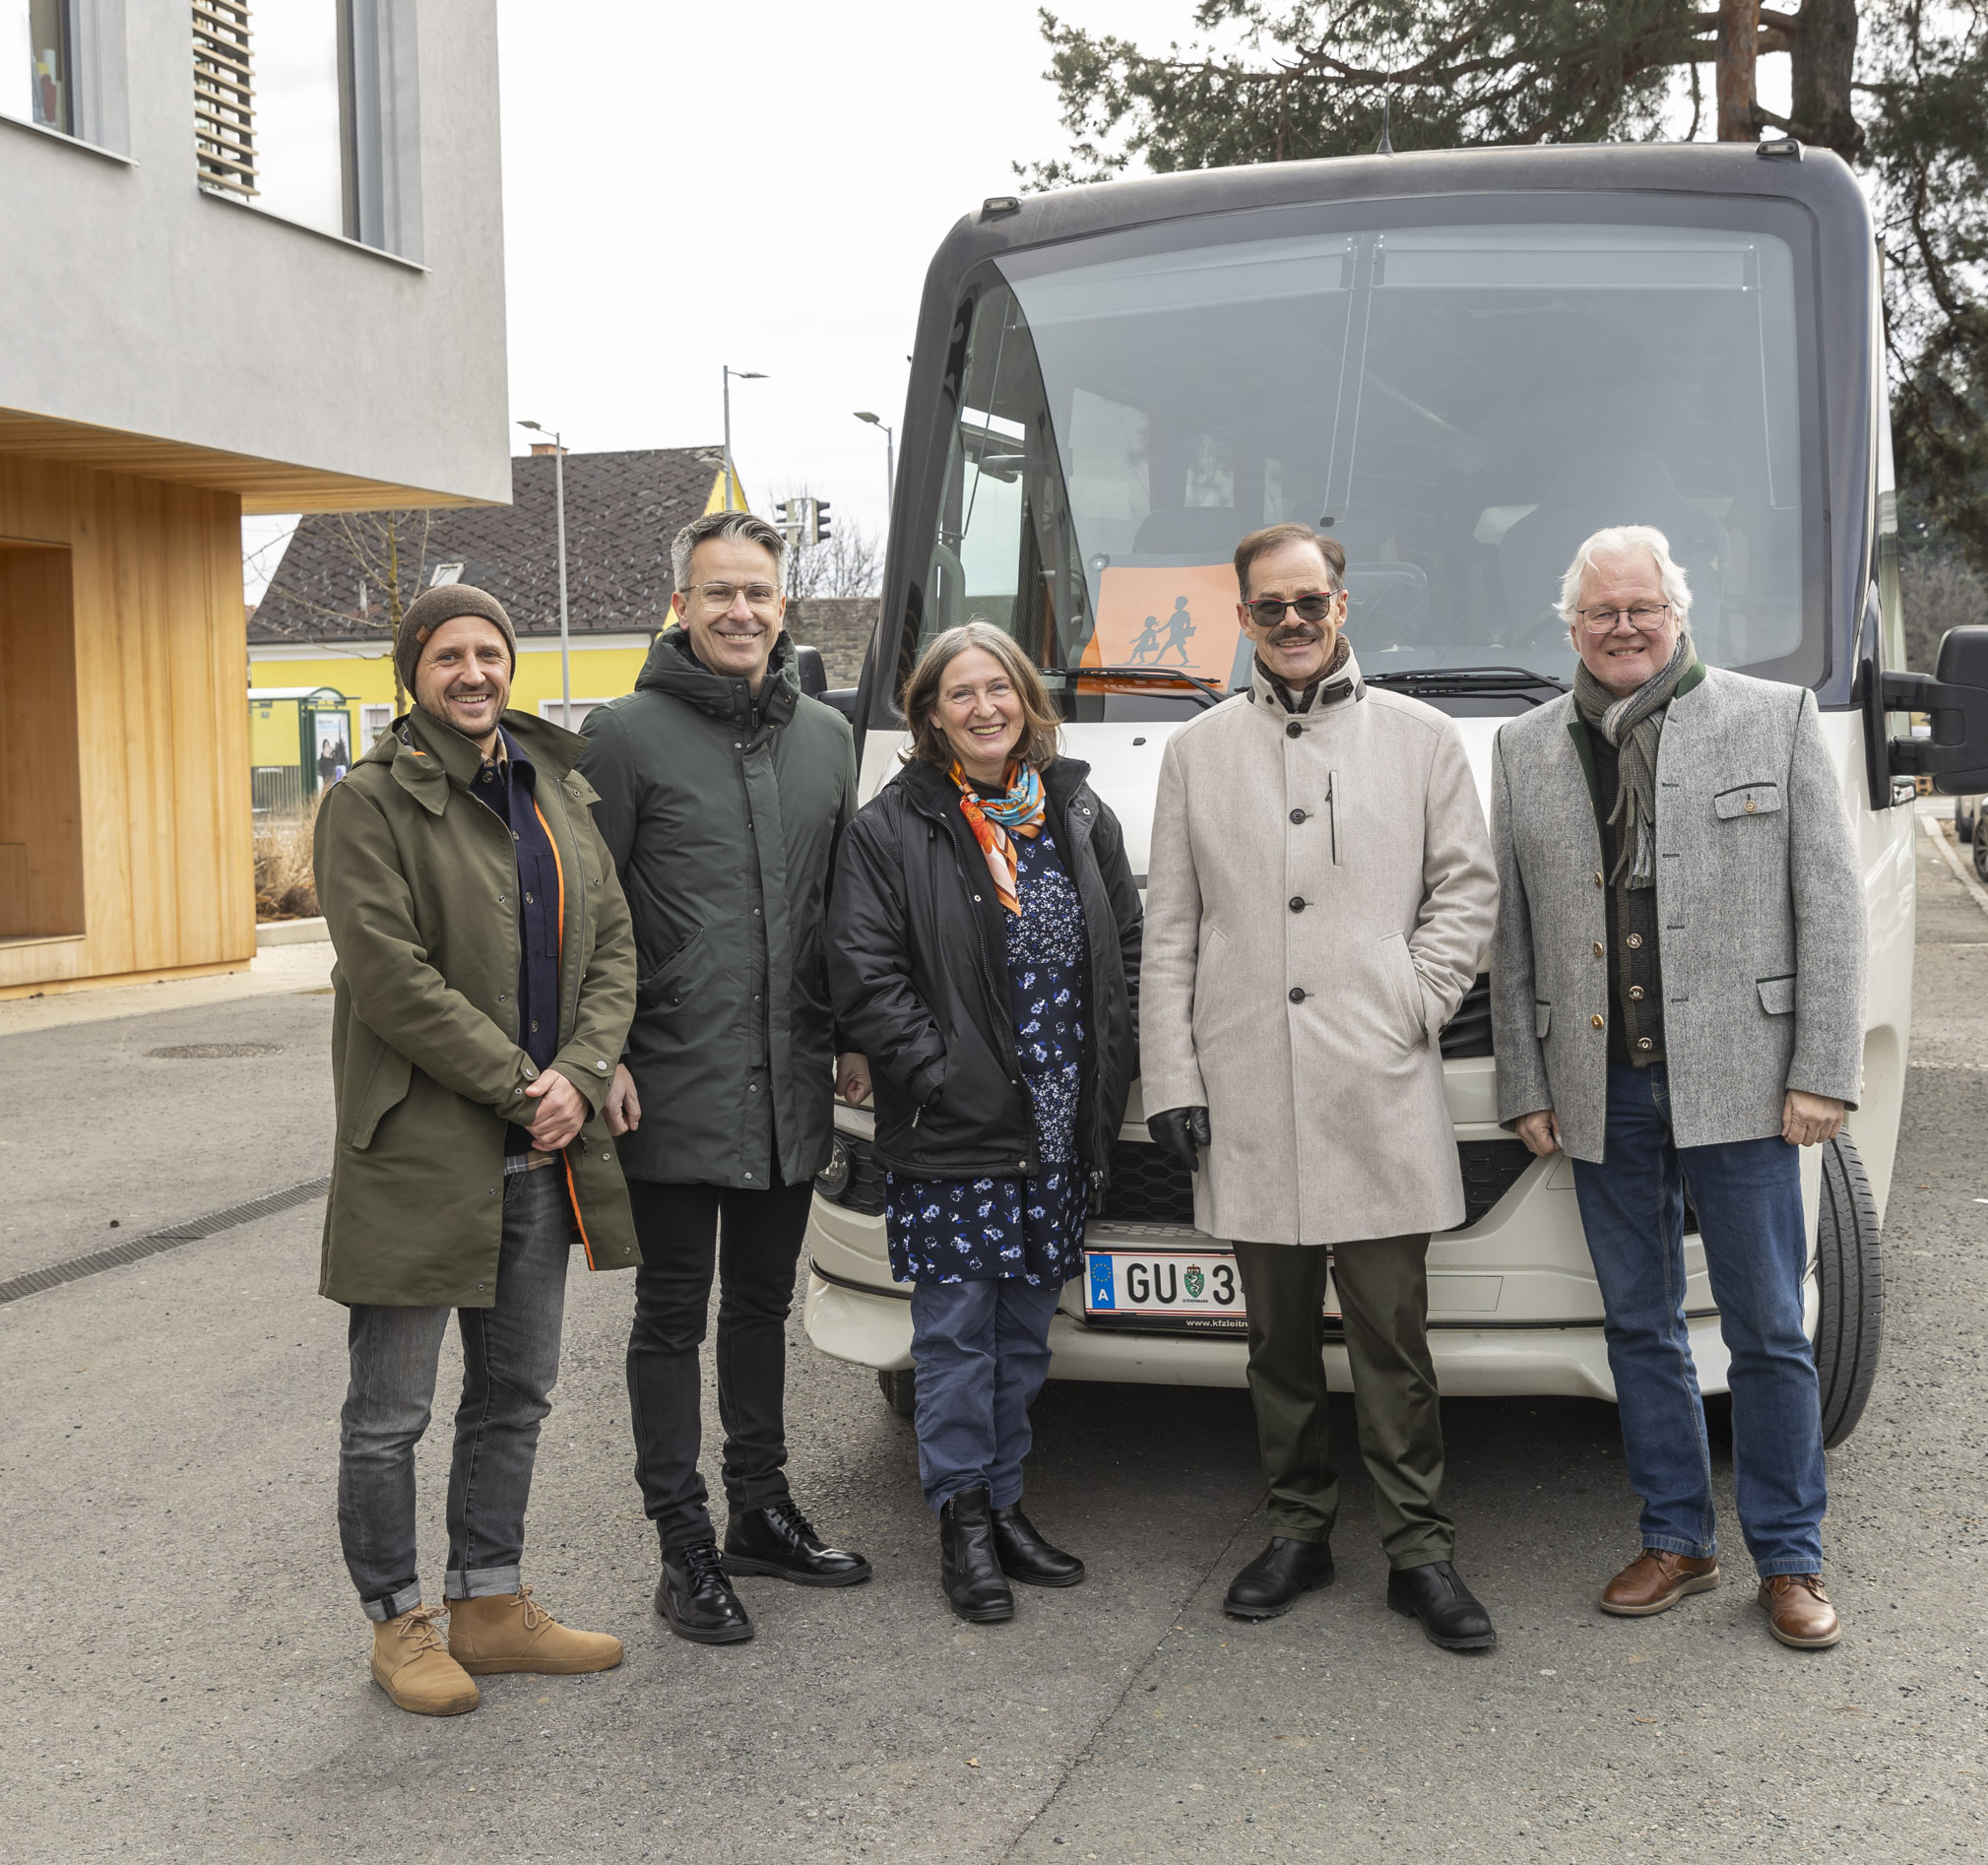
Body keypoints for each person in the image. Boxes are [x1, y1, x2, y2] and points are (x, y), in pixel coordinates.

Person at [1488, 524, 1864, 1649]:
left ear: (1678, 611)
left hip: (1748, 1086)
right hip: (1597, 1085)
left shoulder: (1775, 717)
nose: (1622, 626)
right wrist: (1526, 1077)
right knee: (1640, 1325)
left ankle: (1790, 1559)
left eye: (1641, 606)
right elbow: (1512, 937)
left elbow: (1831, 909)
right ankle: (1677, 1539)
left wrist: (1823, 1072)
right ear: (1571, 626)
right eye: (1600, 611)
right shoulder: (1523, 748)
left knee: (1768, 1327)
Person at [1138, 525, 1501, 1653]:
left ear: (1344, 606)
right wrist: (1173, 1074)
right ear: (1241, 619)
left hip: (1378, 1078)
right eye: (1268, 608)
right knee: (1275, 1337)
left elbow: (1466, 893)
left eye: (1310, 603)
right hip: (1243, 1084)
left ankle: (1420, 1549)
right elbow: (1173, 930)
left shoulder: (1423, 737)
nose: (1291, 624)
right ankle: (1298, 1527)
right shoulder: (1197, 751)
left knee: (1394, 1335)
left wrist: (1412, 998)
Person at [314, 583, 639, 1715]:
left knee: (515, 1393)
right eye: (447, 654)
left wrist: (584, 1074)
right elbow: (392, 978)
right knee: (389, 1412)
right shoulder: (367, 802)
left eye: (488, 652)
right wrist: (523, 1083)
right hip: (422, 1151)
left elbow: (614, 948)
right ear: (412, 672)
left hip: (539, 1151)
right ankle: (400, 1619)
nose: (472, 671)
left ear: (511, 666)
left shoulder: (555, 787)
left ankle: (489, 1606)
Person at [575, 511, 871, 1645]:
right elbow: (582, 912)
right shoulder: (623, 735)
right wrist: (601, 1056)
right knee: (670, 1314)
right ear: (683, 607)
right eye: (718, 594)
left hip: (789, 1071)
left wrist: (847, 1027)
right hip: (667, 1077)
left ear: (782, 606)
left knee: (759, 1303)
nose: (741, 611)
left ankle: (760, 1509)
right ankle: (682, 1542)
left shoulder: (827, 740)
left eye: (758, 592)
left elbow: (846, 901)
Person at [826, 620, 1141, 1624]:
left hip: (1057, 1124)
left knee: (1023, 1333)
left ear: (1026, 700)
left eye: (997, 688)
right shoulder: (892, 826)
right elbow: (865, 974)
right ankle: (962, 1522)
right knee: (956, 1338)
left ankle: (1006, 1503)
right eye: (958, 694)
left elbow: (1123, 946)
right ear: (927, 715)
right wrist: (935, 1072)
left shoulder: (1077, 812)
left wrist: (1110, 1069)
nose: (983, 707)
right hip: (957, 1124)